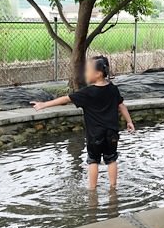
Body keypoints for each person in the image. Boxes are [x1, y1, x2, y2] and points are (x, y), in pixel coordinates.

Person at [30, 56, 134, 190]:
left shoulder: (87, 92)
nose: (85, 73)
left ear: (97, 74)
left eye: (88, 71)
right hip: (112, 133)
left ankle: (92, 189)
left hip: (95, 135)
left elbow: (65, 99)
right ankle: (113, 188)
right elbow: (121, 106)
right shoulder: (113, 89)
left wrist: (44, 104)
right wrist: (129, 122)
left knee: (93, 161)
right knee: (112, 159)